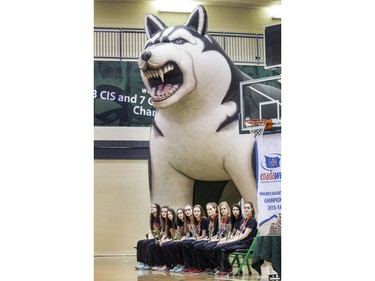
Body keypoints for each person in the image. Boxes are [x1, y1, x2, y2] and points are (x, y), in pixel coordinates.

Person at [214, 201, 258, 277]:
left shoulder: (252, 220)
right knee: (218, 247)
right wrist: (227, 240)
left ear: (252, 209)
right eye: (245, 208)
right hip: (240, 241)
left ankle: (225, 270)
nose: (246, 209)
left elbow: (245, 235)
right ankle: (224, 268)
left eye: (248, 208)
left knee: (221, 248)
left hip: (245, 243)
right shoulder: (245, 220)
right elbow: (238, 234)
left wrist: (233, 240)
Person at [181, 204, 209, 273]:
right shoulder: (194, 221)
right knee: (184, 243)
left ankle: (198, 266)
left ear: (201, 212)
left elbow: (203, 235)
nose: (196, 213)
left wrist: (193, 238)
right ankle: (189, 266)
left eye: (198, 211)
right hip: (197, 238)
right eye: (195, 211)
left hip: (203, 238)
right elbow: (193, 234)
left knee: (193, 244)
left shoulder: (204, 220)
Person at [135, 203, 161, 270]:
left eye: (154, 207)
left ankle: (147, 263)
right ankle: (141, 262)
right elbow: (150, 231)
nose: (152, 208)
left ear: (157, 209)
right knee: (140, 242)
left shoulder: (160, 218)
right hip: (153, 237)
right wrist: (149, 237)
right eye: (151, 207)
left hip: (159, 237)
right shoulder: (152, 219)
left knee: (145, 243)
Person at [150, 205, 169, 270]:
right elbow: (163, 232)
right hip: (163, 238)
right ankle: (153, 263)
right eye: (162, 212)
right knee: (142, 242)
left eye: (165, 212)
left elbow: (166, 234)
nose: (163, 213)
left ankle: (165, 264)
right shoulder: (163, 220)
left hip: (170, 238)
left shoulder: (168, 220)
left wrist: (162, 239)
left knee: (159, 244)